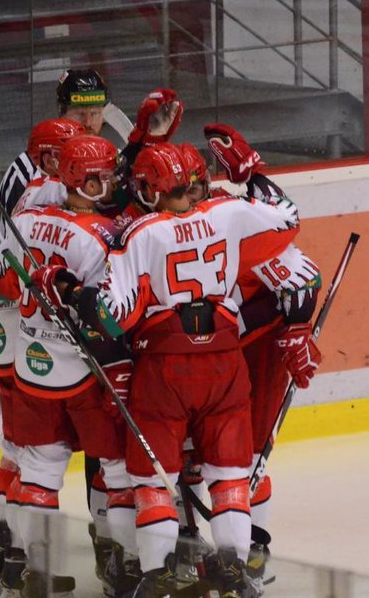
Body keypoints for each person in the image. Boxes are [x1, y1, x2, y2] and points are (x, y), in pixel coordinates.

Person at [37, 143, 317, 597]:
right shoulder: (229, 213)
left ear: (153, 189)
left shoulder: (142, 233)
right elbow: (287, 216)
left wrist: (68, 292)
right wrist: (252, 174)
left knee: (151, 480)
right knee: (229, 478)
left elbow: (113, 314)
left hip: (164, 368)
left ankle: (155, 574)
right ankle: (235, 572)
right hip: (225, 365)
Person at [0, 134, 140, 597]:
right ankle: (130, 564)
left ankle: (37, 569)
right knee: (117, 470)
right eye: (98, 176)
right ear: (73, 177)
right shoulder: (103, 237)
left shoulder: (25, 222)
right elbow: (110, 314)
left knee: (39, 469)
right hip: (88, 373)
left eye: (110, 174)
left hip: (36, 368)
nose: (108, 183)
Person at [0, 117, 85, 598]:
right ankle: (23, 559)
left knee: (15, 447)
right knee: (36, 449)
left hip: (6, 320)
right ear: (51, 154)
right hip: (35, 327)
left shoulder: (23, 185)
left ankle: (7, 554)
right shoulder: (48, 192)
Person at [202, 127, 322, 593]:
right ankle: (207, 547)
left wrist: (295, 331)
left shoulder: (242, 223)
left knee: (246, 457)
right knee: (204, 458)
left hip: (255, 356)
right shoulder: (184, 223)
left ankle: (252, 548)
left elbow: (302, 281)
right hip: (207, 356)